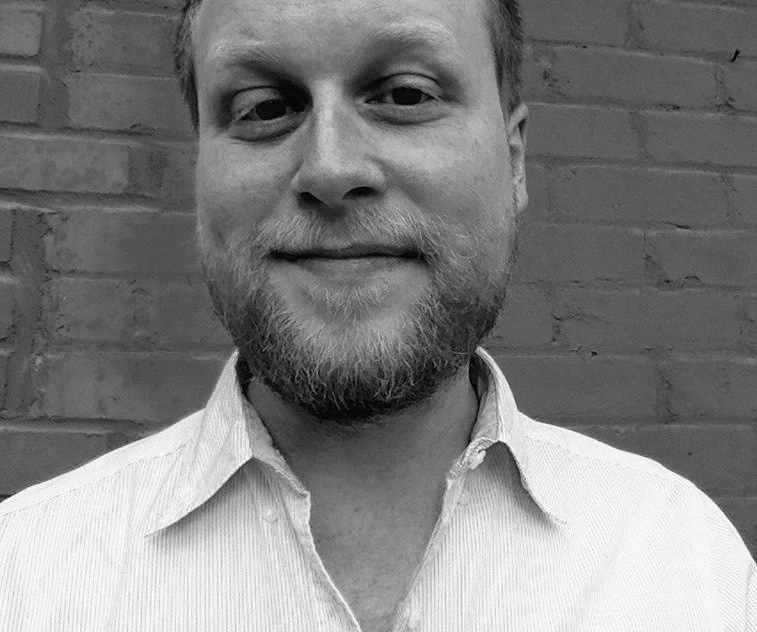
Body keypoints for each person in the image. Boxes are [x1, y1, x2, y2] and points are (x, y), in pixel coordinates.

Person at [1, 0, 755, 629]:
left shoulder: (684, 564)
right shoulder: (26, 577)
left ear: (516, 160)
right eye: (263, 108)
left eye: (405, 95)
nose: (331, 169)